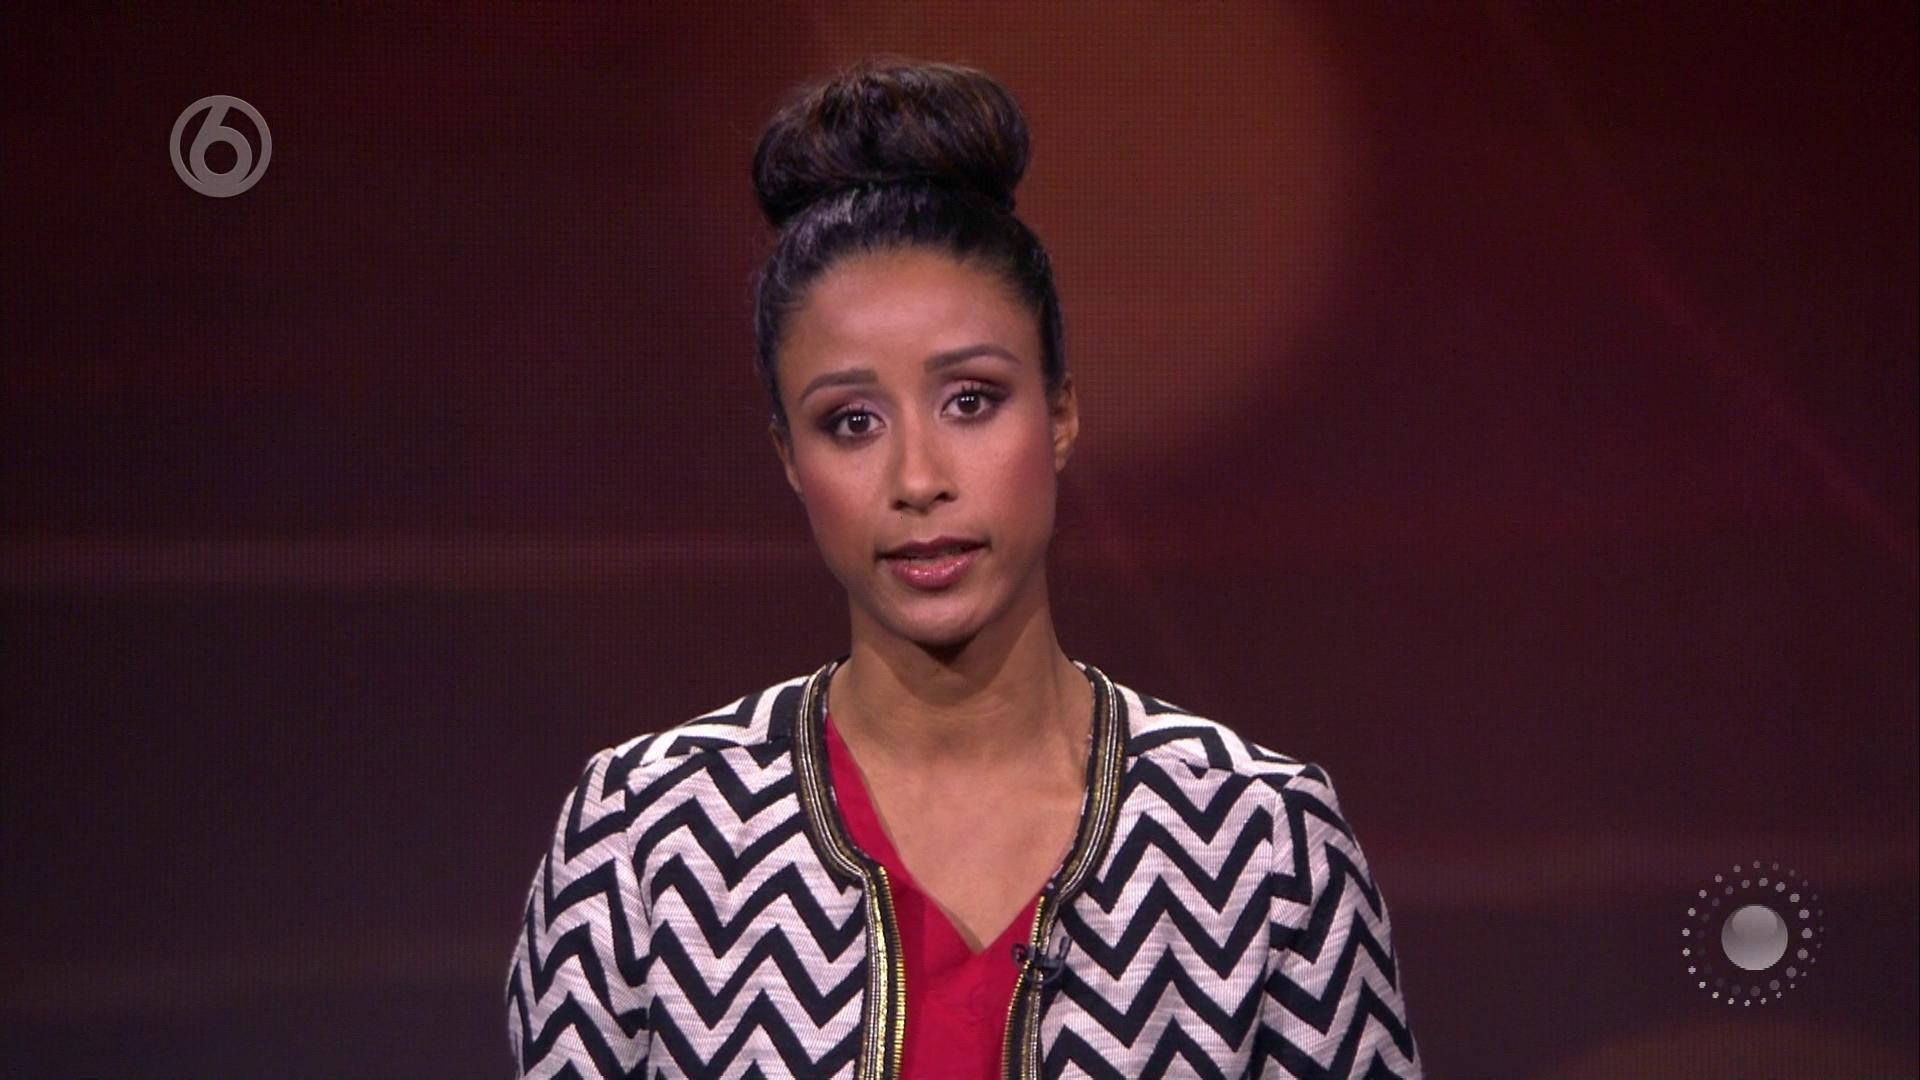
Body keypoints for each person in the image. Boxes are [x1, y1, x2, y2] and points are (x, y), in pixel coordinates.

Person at [506, 58, 1422, 1079]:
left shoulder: (1259, 843)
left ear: (1061, 412)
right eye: (851, 422)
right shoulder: (649, 838)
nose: (918, 479)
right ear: (789, 459)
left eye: (971, 401)